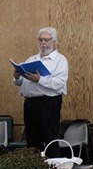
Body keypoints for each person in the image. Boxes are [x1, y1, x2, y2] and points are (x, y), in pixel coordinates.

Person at [13, 26, 68, 157]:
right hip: (30, 103)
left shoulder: (60, 60)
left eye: (46, 40)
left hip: (48, 103)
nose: (43, 43)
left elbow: (59, 83)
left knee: (50, 138)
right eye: (41, 40)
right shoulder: (32, 59)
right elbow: (22, 83)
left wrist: (40, 79)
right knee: (32, 139)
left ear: (54, 42)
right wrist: (17, 76)